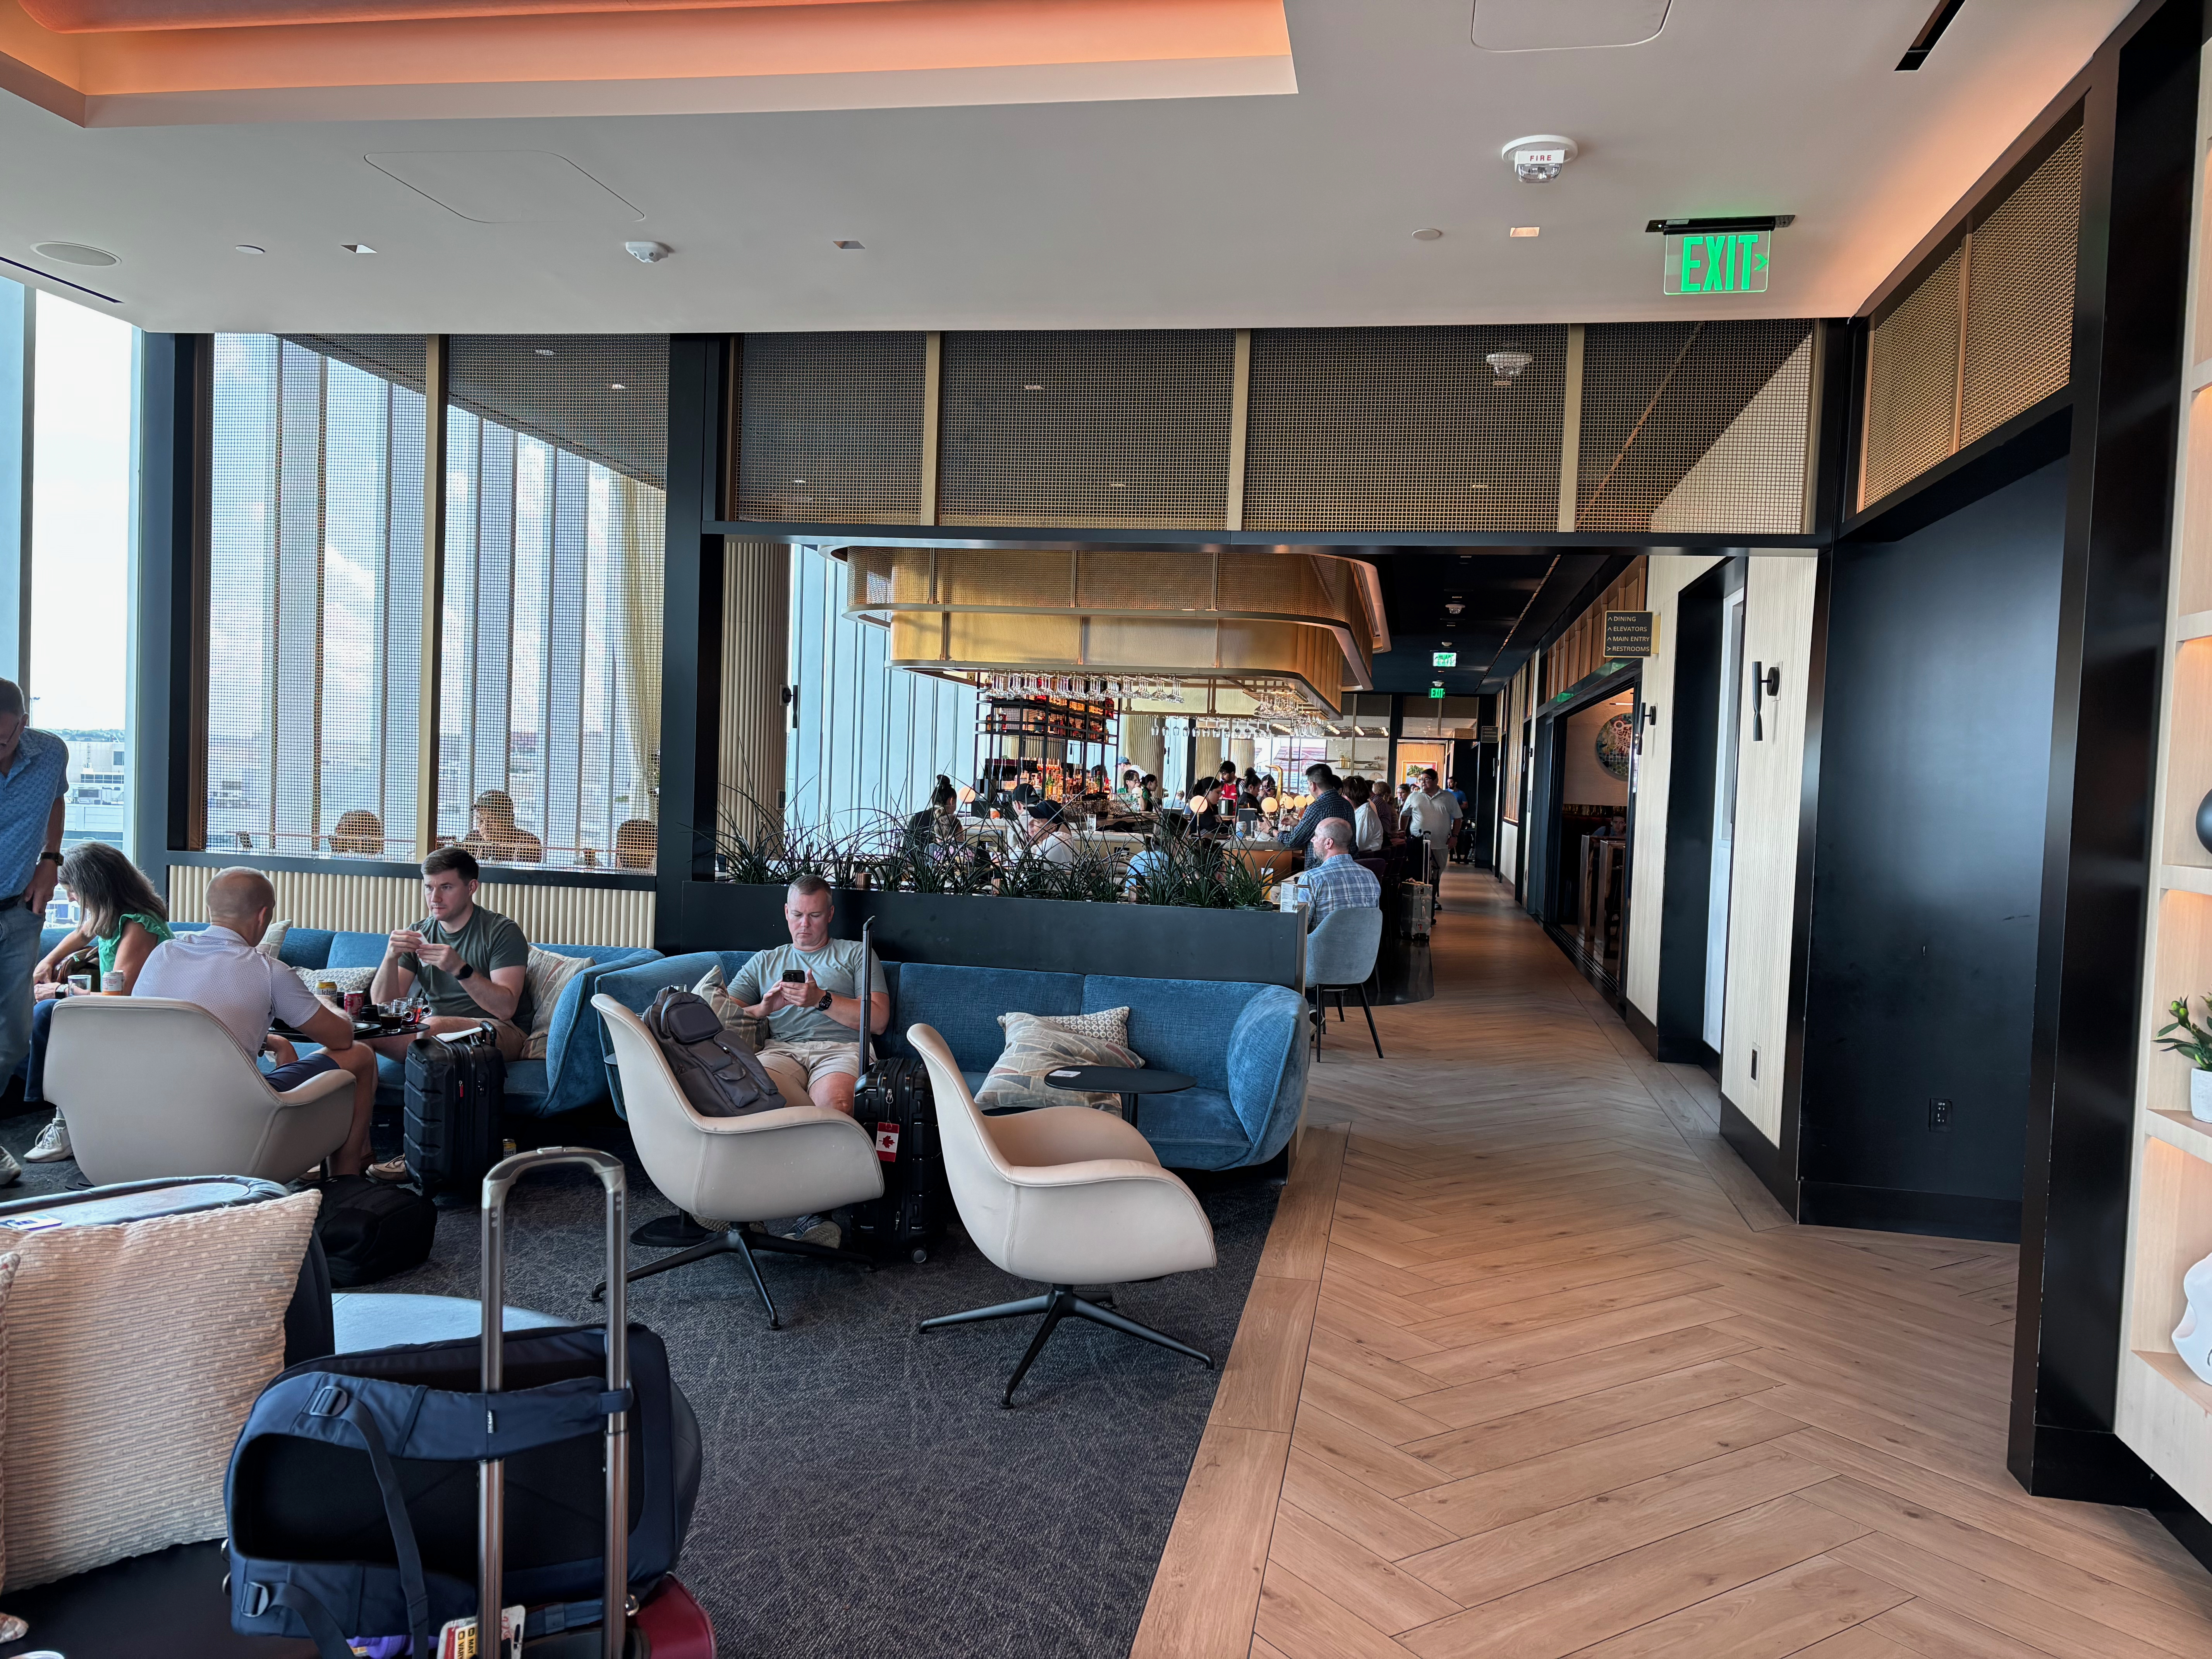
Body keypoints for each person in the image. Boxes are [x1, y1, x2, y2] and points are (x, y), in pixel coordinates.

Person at [134, 867, 379, 1176]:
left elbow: (188, 1026)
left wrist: (271, 1040)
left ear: (210, 909)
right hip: (233, 1118)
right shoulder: (268, 970)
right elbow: (342, 1038)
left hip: (149, 1113)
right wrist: (328, 1003)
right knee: (361, 1055)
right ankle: (346, 1176)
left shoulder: (162, 955)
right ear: (263, 916)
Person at [722, 875, 890, 1247]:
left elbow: (878, 1021)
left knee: (835, 1107)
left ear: (830, 914)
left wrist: (820, 999)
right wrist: (765, 1008)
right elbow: (727, 1018)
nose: (804, 925)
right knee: (753, 1100)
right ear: (786, 912)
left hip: (841, 1049)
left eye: (814, 916)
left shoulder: (857, 953)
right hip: (783, 1049)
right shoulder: (765, 960)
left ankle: (815, 1215)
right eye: (797, 914)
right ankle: (744, 1209)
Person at [366, 846, 534, 1178]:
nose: (435, 898)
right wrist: (388, 958)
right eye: (429, 887)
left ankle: (420, 1155)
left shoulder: (501, 931)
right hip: (436, 1034)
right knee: (358, 1035)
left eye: (446, 887)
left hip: (501, 1032)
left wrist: (461, 969)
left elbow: (505, 1007)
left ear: (471, 887)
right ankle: (352, 1153)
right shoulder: (420, 931)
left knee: (433, 1030)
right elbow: (382, 1006)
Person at [21, 843, 176, 1165]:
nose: (70, 899)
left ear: (95, 887)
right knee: (31, 1020)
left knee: (48, 1013)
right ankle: (55, 1110)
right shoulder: (114, 916)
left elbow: (118, 999)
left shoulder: (137, 926)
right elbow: (81, 933)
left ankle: (61, 1119)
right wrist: (47, 962)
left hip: (138, 1021)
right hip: (112, 1013)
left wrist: (59, 991)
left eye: (72, 890)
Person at [0, 679, 69, 1187]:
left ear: (23, 725)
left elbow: (56, 801)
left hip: (22, 910)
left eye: (2, 739)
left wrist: (51, 860)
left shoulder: (49, 753)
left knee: (13, 1037)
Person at [1296, 817, 1381, 931]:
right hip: (1365, 948)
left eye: (1316, 836)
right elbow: (1372, 925)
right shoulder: (1371, 877)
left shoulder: (1312, 879)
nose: (1313, 840)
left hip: (1322, 948)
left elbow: (1297, 929)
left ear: (1328, 843)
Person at [1279, 763, 1355, 865]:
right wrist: (1298, 823)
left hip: (1320, 867)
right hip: (1348, 864)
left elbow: (1292, 841)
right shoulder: (1347, 805)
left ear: (1313, 785)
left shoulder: (1317, 807)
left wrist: (1272, 831)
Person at [1403, 767, 1465, 847]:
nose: (1423, 782)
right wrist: (1402, 831)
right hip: (1417, 843)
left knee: (1439, 860)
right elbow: (1404, 815)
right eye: (1421, 780)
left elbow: (1458, 818)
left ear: (1436, 781)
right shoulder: (1413, 796)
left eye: (1427, 779)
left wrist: (1454, 836)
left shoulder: (1448, 797)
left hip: (1441, 844)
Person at [1020, 800, 1082, 866]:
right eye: (1031, 819)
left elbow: (1027, 873)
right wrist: (1023, 845)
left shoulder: (1053, 843)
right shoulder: (1044, 844)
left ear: (1052, 828)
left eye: (1037, 821)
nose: (1030, 824)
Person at [1345, 776, 1384, 853]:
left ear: (1352, 796)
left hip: (1365, 859)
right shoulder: (1361, 811)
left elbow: (1358, 845)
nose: (1342, 798)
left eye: (1343, 795)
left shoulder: (1365, 814)